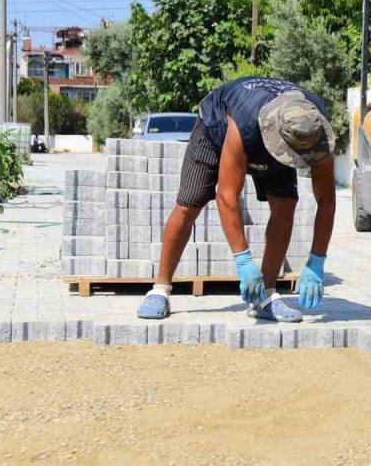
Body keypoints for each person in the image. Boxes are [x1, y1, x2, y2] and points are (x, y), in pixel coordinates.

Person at [136, 77, 336, 322]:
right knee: (189, 204)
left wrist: (317, 261)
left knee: (285, 204)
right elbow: (227, 195)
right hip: (215, 130)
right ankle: (160, 289)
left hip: (280, 132)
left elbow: (326, 202)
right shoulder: (244, 122)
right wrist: (243, 260)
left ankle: (267, 295)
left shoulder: (313, 129)